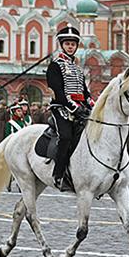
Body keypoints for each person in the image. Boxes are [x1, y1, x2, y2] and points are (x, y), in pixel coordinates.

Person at [46, 26, 92, 191]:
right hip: (61, 108)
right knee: (65, 137)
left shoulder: (78, 69)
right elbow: (58, 92)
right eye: (67, 44)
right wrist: (74, 107)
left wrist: (92, 104)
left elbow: (85, 92)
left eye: (73, 44)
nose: (70, 46)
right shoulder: (55, 66)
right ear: (61, 44)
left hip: (79, 108)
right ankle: (58, 174)